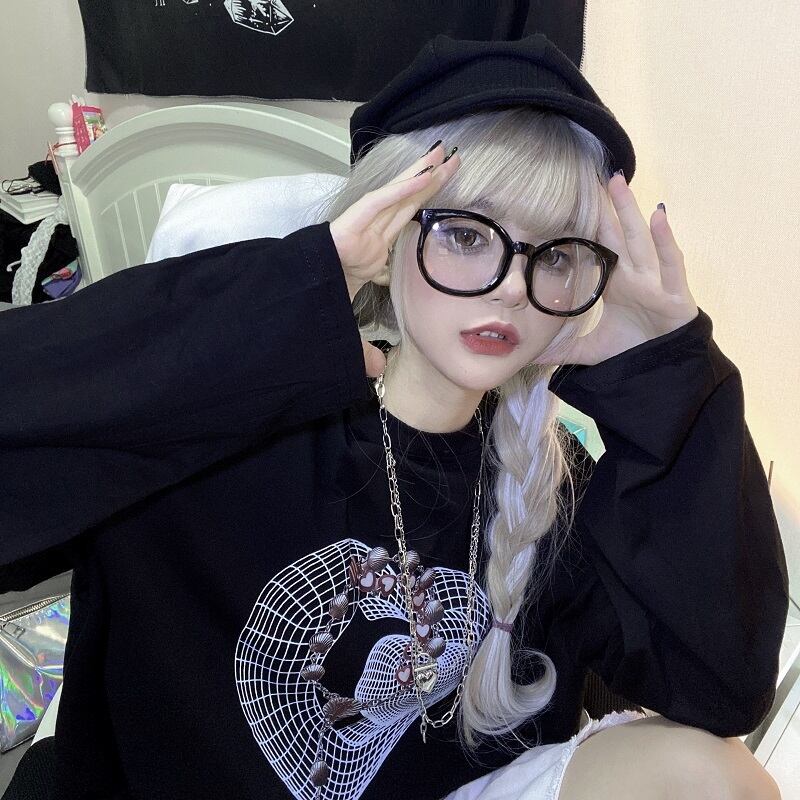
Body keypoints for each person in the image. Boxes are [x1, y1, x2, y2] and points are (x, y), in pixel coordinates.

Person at [0, 34, 787, 800]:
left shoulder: (558, 488)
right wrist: (291, 290)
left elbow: (723, 688)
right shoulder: (221, 412)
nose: (512, 288)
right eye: (467, 234)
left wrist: (669, 379)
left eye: (555, 256)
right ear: (384, 234)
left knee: (720, 778)